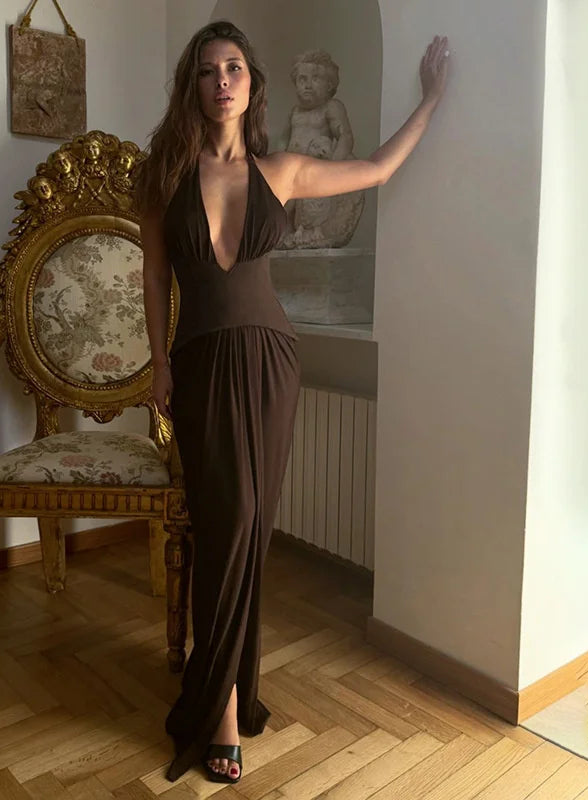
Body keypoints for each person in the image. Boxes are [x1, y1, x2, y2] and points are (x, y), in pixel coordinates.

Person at [136, 20, 449, 784]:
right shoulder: (161, 176)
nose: (221, 81)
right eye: (207, 69)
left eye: (234, 67)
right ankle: (224, 701)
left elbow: (375, 169)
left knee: (250, 526)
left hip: (271, 363)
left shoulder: (283, 170)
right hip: (200, 364)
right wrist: (157, 365)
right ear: (192, 85)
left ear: (252, 84)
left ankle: (227, 707)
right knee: (223, 528)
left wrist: (432, 100)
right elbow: (153, 280)